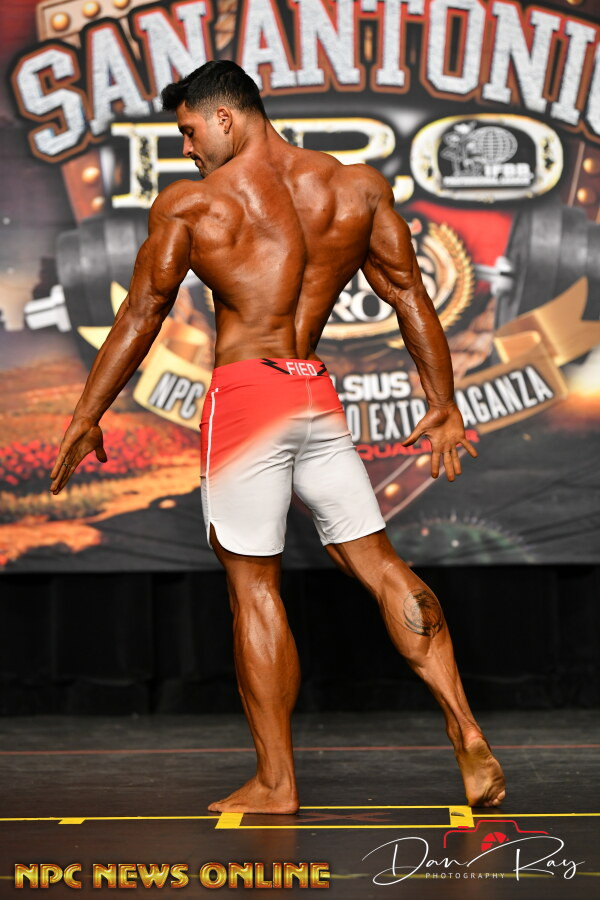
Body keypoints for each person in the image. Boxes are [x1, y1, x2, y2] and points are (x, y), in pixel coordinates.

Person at [50, 60, 505, 815]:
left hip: (247, 399)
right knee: (381, 565)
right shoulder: (355, 188)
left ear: (225, 117)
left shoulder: (195, 204)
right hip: (313, 391)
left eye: (189, 131)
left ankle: (276, 782)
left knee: (253, 590)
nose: (187, 149)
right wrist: (443, 403)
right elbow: (409, 295)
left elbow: (143, 312)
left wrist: (87, 412)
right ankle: (465, 724)